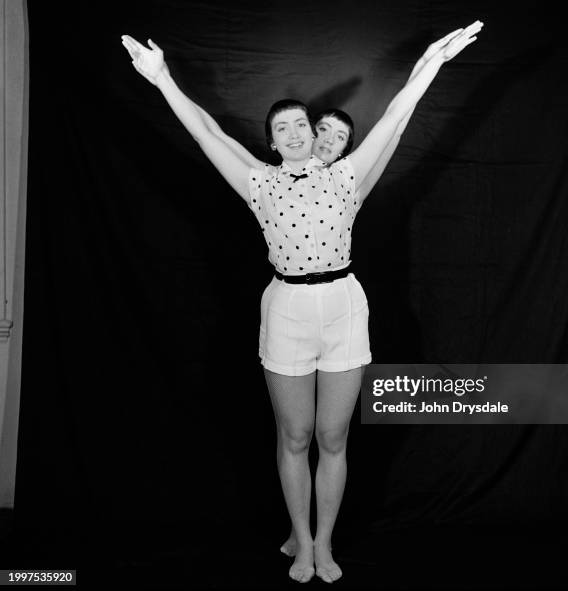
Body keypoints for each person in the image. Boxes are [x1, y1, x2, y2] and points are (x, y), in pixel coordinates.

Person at [121, 21, 482, 583]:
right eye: (281, 127)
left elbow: (392, 120)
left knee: (333, 437)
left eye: (300, 125)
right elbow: (208, 133)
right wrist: (164, 80)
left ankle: (322, 543)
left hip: (343, 306)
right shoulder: (258, 182)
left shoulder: (345, 177)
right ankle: (300, 537)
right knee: (295, 436)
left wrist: (430, 64)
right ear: (270, 142)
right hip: (286, 309)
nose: (293, 132)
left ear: (316, 136)